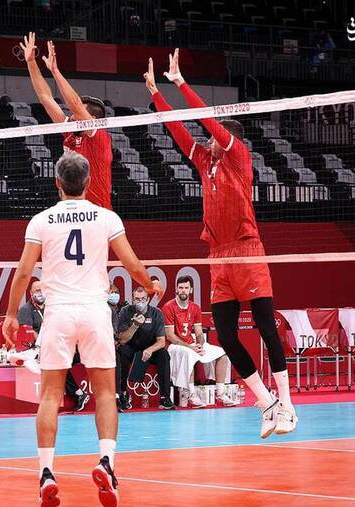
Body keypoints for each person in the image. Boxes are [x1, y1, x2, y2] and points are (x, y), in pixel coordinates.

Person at [145, 49, 296, 438]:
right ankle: (266, 402)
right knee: (226, 336)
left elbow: (205, 119)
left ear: (226, 140)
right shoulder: (205, 162)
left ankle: (288, 404)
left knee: (265, 327)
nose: (206, 140)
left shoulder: (238, 156)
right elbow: (178, 130)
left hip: (247, 250)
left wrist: (180, 82)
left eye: (212, 137)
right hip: (218, 256)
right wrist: (157, 95)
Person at [2, 151, 157, 507]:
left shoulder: (41, 220)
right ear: (88, 182)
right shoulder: (106, 217)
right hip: (94, 312)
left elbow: (24, 272)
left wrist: (10, 314)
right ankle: (106, 462)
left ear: (57, 182)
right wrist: (150, 285)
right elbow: (132, 264)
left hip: (58, 314)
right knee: (105, 394)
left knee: (50, 397)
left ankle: (46, 473)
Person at [19, 32, 113, 209]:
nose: (73, 115)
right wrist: (31, 62)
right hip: (70, 211)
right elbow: (45, 97)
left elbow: (75, 104)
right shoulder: (71, 130)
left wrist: (55, 71)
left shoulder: (100, 137)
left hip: (98, 213)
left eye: (79, 113)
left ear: (93, 119)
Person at [162, 276, 238, 408]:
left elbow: (198, 333)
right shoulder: (168, 307)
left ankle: (220, 393)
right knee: (188, 354)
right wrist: (191, 348)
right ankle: (191, 395)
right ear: (176, 290)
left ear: (191, 290)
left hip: (190, 344)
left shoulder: (195, 308)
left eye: (186, 288)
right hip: (173, 346)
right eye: (180, 288)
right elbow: (170, 336)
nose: (183, 290)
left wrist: (200, 344)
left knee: (222, 353)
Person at [18, 280, 90, 412]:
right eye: (37, 291)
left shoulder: (52, 308)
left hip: (62, 346)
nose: (40, 293)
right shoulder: (25, 310)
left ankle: (83, 394)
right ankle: (78, 393)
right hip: (40, 351)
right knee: (58, 361)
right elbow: (28, 333)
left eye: (42, 290)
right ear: (31, 293)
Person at [116, 286, 175, 410]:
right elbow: (122, 340)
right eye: (137, 299)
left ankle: (165, 397)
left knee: (164, 355)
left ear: (148, 300)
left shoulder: (156, 313)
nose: (140, 302)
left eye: (143, 299)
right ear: (133, 300)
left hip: (150, 349)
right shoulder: (125, 312)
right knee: (122, 352)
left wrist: (150, 350)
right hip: (131, 347)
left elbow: (161, 341)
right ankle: (122, 394)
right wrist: (135, 325)